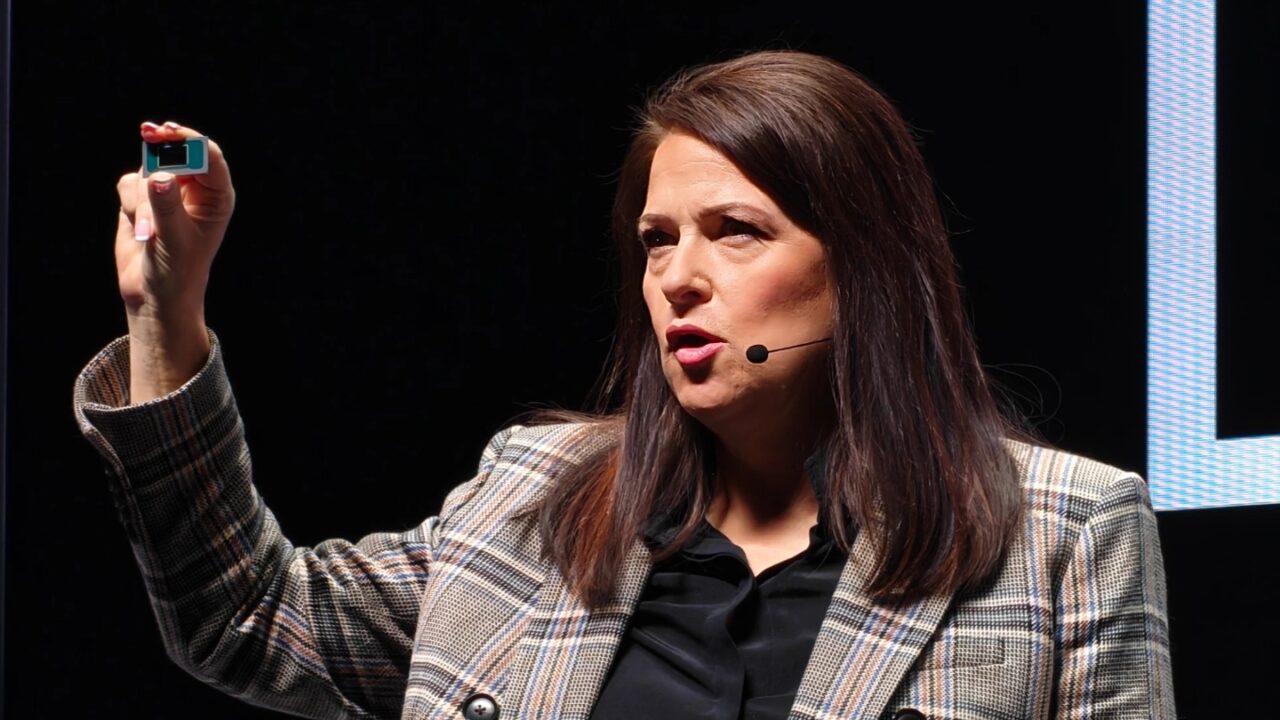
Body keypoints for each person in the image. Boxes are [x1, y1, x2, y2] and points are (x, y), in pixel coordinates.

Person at [74, 51, 1175, 719]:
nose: (677, 278)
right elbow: (249, 618)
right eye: (656, 240)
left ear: (865, 269)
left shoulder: (1064, 533)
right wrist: (165, 315)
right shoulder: (531, 500)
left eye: (735, 231)